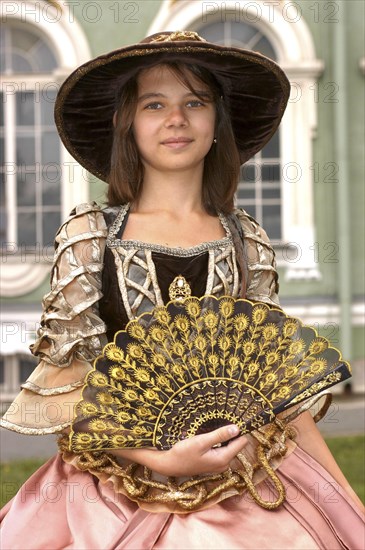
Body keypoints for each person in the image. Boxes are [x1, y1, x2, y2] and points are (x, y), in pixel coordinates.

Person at [0, 30, 364, 550]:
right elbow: (68, 387)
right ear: (127, 124)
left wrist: (346, 507)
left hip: (246, 476)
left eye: (195, 102)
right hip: (113, 482)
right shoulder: (90, 237)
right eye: (155, 104)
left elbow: (277, 392)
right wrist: (160, 458)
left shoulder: (245, 241)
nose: (177, 119)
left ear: (217, 122)